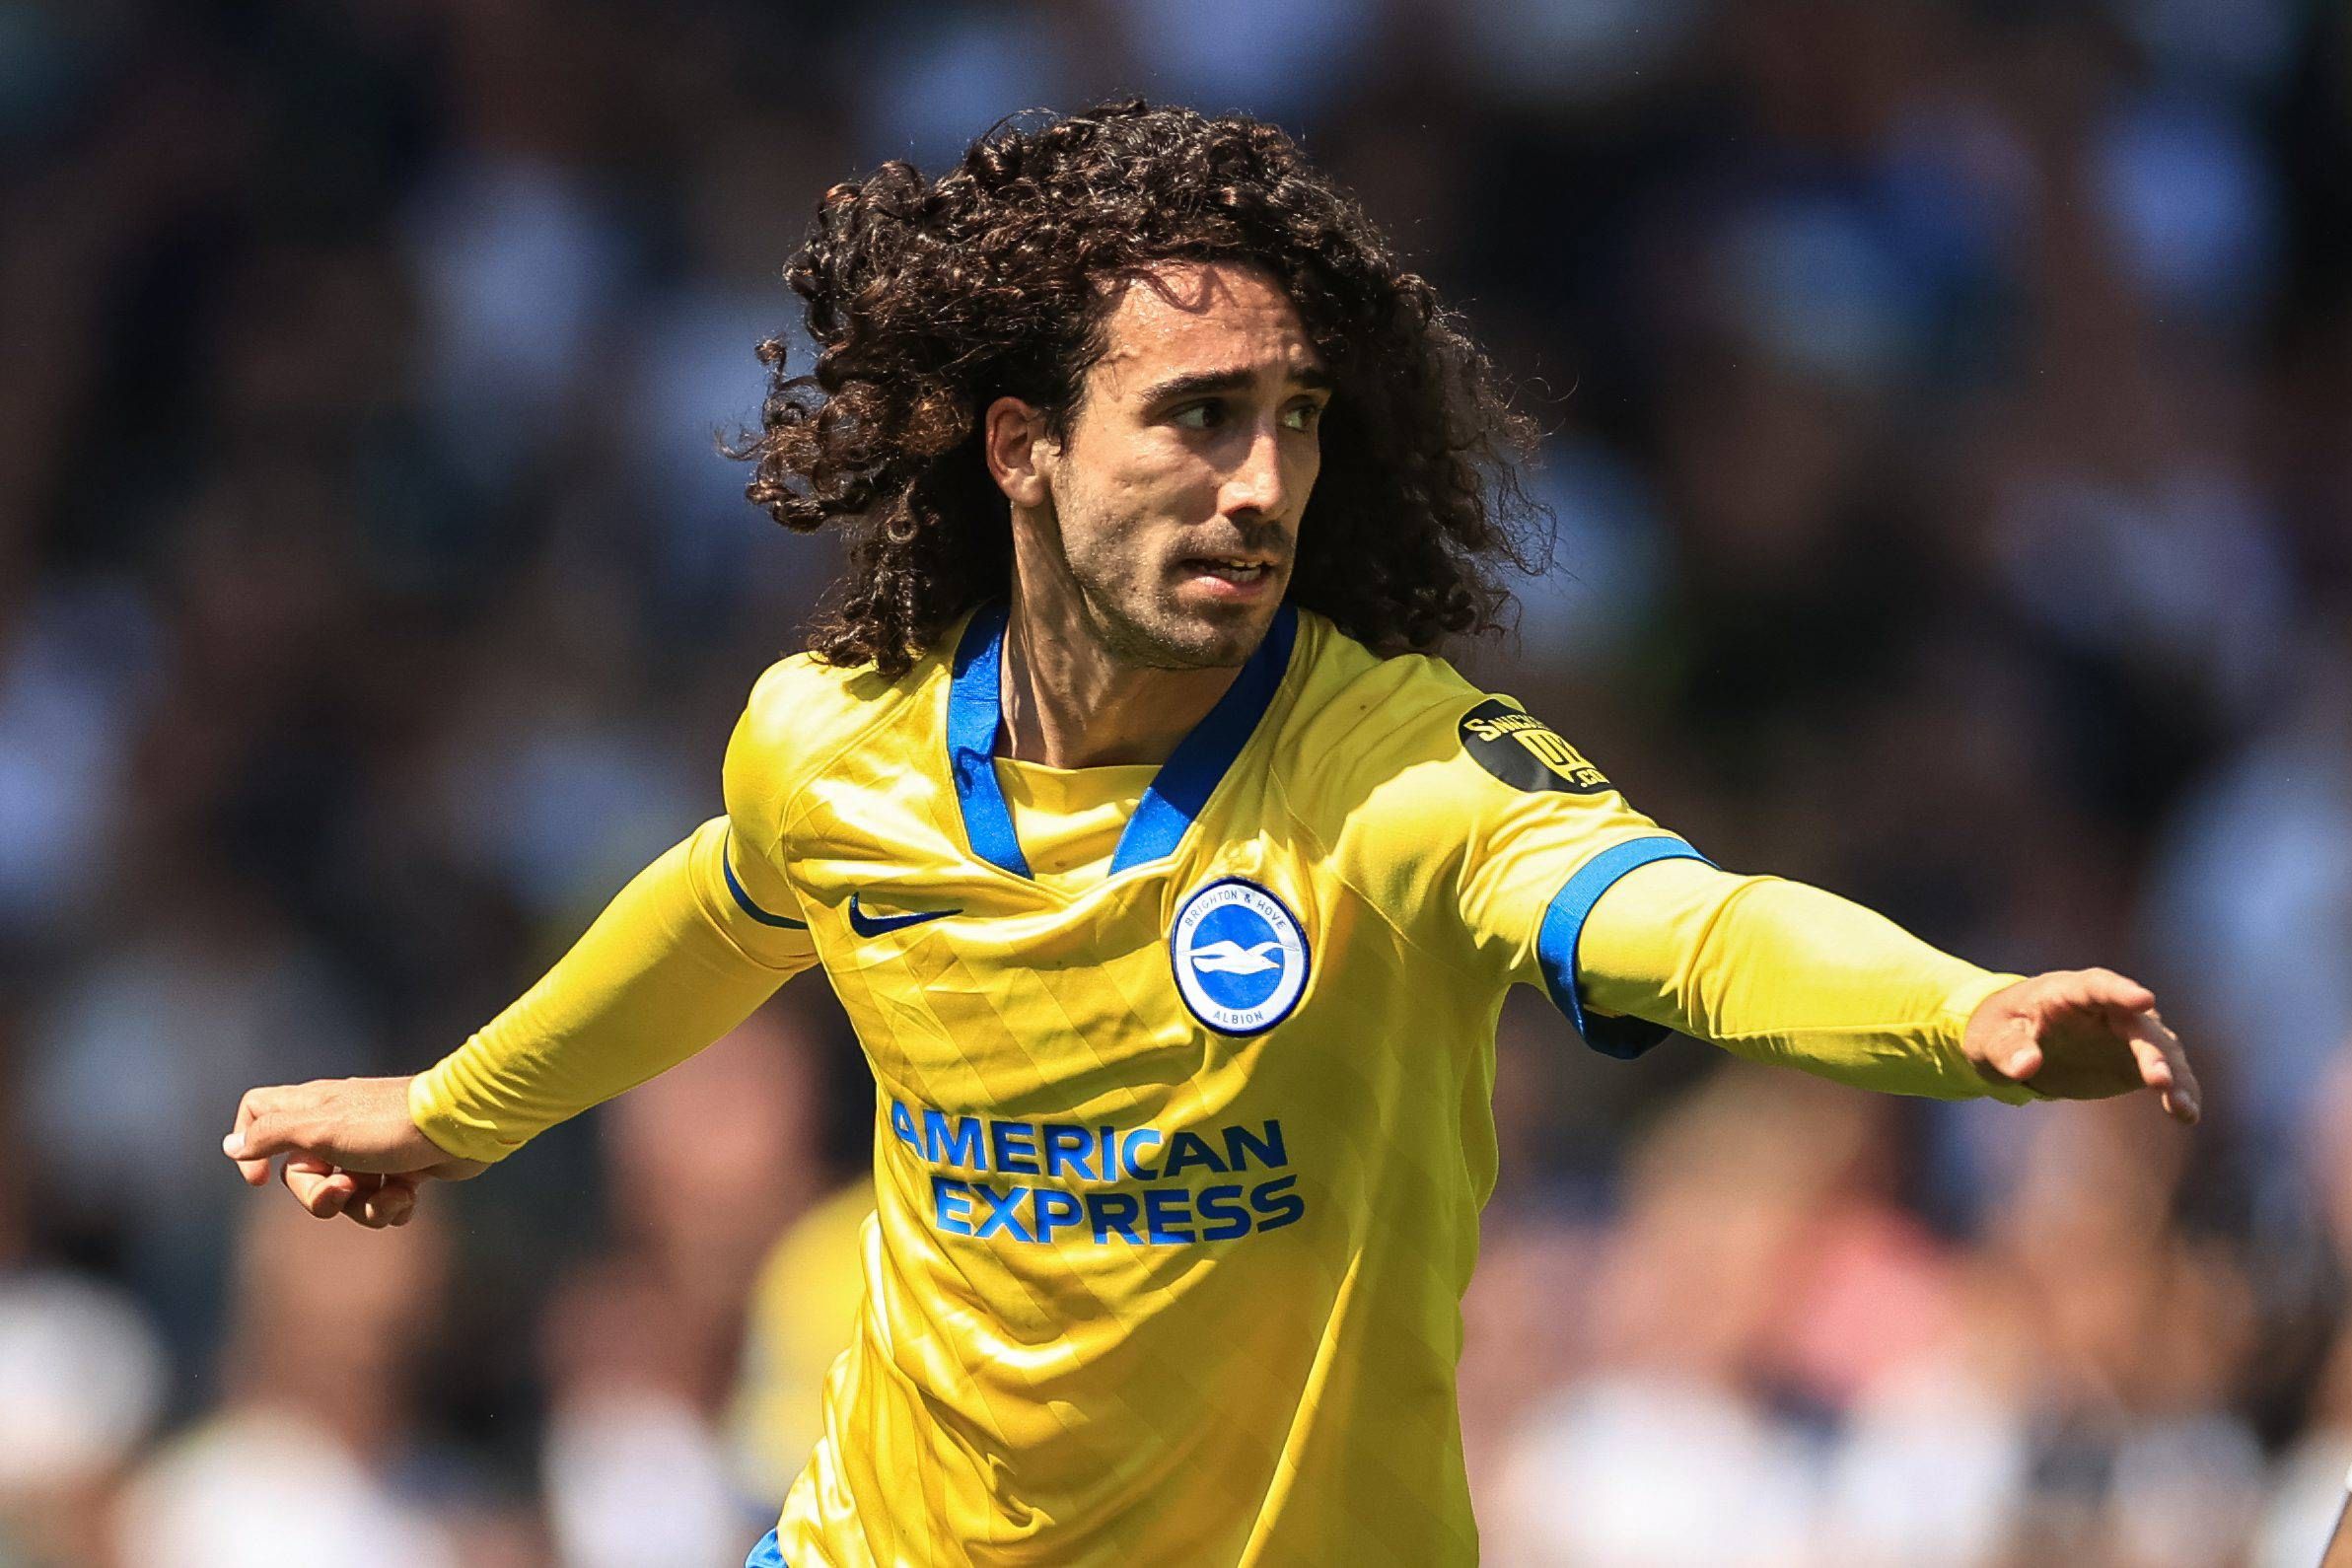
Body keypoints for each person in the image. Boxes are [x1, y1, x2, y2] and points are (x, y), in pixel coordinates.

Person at [220, 102, 2200, 1566]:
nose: (1261, 483)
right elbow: (724, 911)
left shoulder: (1393, 772)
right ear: (1020, 446)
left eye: (1298, 419)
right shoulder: (831, 749)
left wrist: (1957, 1014)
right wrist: (448, 1110)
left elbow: (1681, 922)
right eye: (1193, 416)